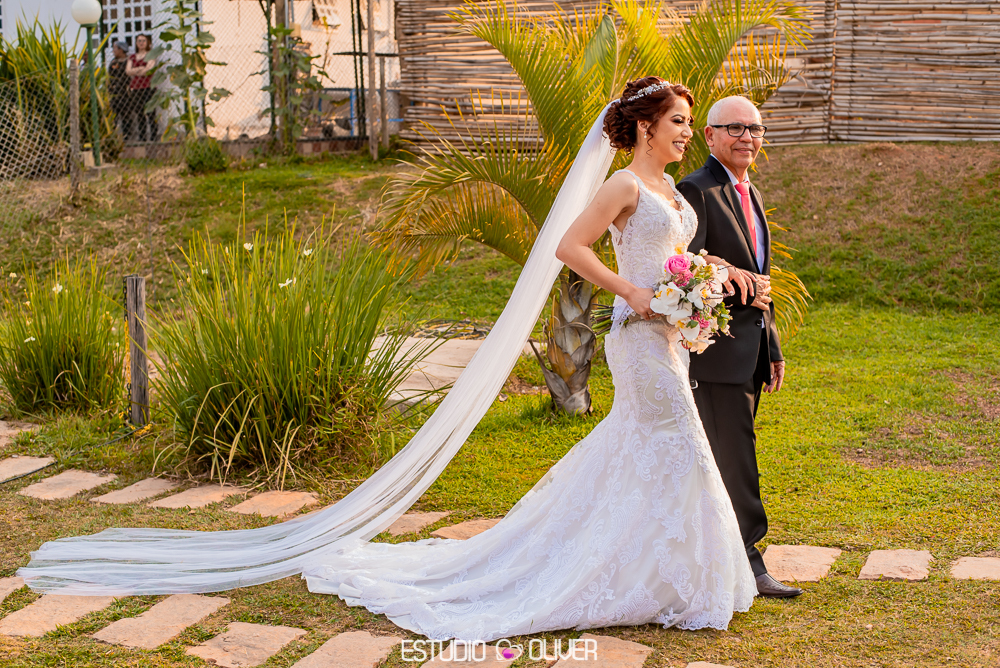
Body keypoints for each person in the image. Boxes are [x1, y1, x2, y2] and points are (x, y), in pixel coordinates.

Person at [17, 78, 755, 643]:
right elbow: (568, 246)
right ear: (646, 127)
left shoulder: (669, 191)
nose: (688, 133)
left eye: (690, 124)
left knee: (642, 449)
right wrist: (634, 291)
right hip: (636, 335)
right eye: (680, 123)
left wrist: (698, 288)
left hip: (667, 334)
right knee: (678, 447)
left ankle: (651, 573)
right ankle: (660, 577)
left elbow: (675, 259)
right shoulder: (624, 184)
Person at [676, 96, 802, 598]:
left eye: (755, 128)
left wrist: (771, 346)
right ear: (709, 136)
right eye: (735, 128)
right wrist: (727, 276)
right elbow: (683, 267)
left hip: (748, 349)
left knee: (729, 453)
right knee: (734, 458)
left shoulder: (749, 190)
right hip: (714, 349)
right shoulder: (696, 189)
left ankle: (721, 553)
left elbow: (761, 280)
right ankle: (750, 562)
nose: (747, 137)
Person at [126, 34, 158, 142]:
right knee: (139, 113)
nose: (141, 43)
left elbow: (148, 70)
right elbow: (128, 71)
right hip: (136, 88)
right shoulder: (132, 57)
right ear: (136, 43)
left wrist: (136, 70)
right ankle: (142, 137)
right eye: (139, 40)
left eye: (144, 40)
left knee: (151, 113)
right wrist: (141, 68)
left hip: (148, 87)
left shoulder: (151, 55)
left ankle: (153, 136)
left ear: (148, 42)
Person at [108, 41, 133, 141]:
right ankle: (113, 136)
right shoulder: (113, 62)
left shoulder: (128, 62)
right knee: (114, 115)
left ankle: (127, 136)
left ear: (121, 50)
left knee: (126, 115)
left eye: (115, 48)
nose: (113, 51)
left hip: (125, 92)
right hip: (114, 92)